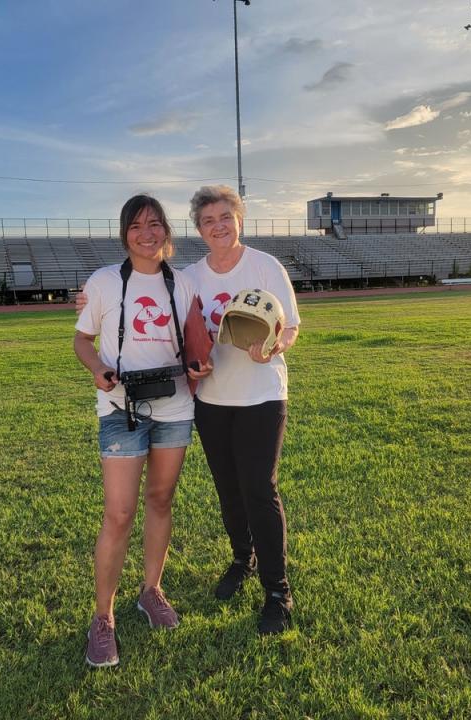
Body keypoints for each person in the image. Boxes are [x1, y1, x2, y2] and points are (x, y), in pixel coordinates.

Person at [73, 194, 210, 668]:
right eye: (136, 225)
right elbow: (81, 339)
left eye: (155, 224)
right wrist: (97, 369)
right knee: (119, 513)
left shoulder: (186, 281)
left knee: (161, 500)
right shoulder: (104, 281)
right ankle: (103, 617)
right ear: (124, 233)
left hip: (175, 406)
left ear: (166, 231)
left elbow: (201, 329)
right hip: (120, 407)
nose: (146, 232)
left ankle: (151, 590)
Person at [185, 185, 300, 635]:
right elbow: (181, 329)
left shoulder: (265, 266)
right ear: (198, 229)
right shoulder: (192, 276)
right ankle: (242, 558)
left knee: (259, 487)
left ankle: (278, 589)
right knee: (228, 488)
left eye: (225, 217)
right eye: (208, 220)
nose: (218, 226)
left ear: (239, 220)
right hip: (212, 399)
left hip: (261, 395)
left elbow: (290, 326)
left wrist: (274, 346)